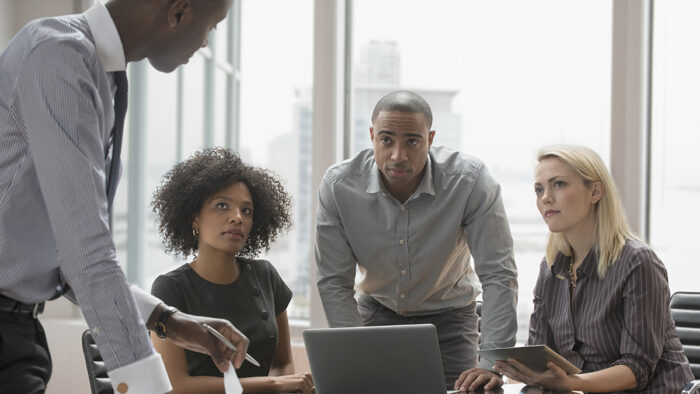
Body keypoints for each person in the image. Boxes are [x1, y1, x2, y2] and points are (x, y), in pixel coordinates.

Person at [0, 1, 250, 392]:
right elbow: (85, 251)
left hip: (19, 330)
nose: (205, 44)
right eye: (212, 27)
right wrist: (149, 388)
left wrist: (169, 320)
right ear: (179, 11)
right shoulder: (57, 57)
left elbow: (65, 259)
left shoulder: (94, 72)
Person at [314, 90, 518, 386]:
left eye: (412, 140)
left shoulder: (470, 181)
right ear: (372, 136)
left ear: (430, 139)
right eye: (386, 140)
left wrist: (491, 364)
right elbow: (334, 280)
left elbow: (499, 273)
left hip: (450, 321)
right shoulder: (338, 185)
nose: (398, 155)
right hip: (374, 316)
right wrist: (353, 350)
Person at [456, 145, 694, 392]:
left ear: (595, 191)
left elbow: (638, 368)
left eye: (558, 184)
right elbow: (537, 358)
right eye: (539, 189)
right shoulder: (551, 270)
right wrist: (499, 375)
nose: (545, 197)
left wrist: (569, 383)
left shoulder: (638, 262)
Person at [150, 148, 314, 394]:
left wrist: (280, 384)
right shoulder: (170, 288)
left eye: (246, 210)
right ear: (194, 217)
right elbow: (177, 386)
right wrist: (272, 385)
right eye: (222, 205)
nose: (237, 217)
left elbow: (282, 365)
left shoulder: (266, 276)